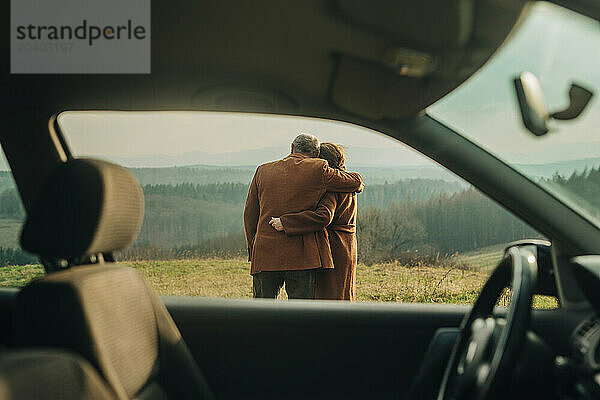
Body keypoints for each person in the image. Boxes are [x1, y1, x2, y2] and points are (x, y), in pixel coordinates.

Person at [244, 134, 363, 299]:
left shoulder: (262, 170)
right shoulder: (317, 168)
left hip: (265, 254)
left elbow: (250, 215)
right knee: (300, 314)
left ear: (292, 147)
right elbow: (353, 183)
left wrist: (254, 249)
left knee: (261, 311)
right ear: (316, 153)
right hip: (301, 256)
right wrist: (358, 179)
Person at [269, 143, 358, 301]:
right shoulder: (346, 182)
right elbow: (357, 181)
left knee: (329, 296)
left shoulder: (331, 188)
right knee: (343, 293)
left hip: (332, 246)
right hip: (347, 245)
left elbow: (324, 216)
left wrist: (286, 222)